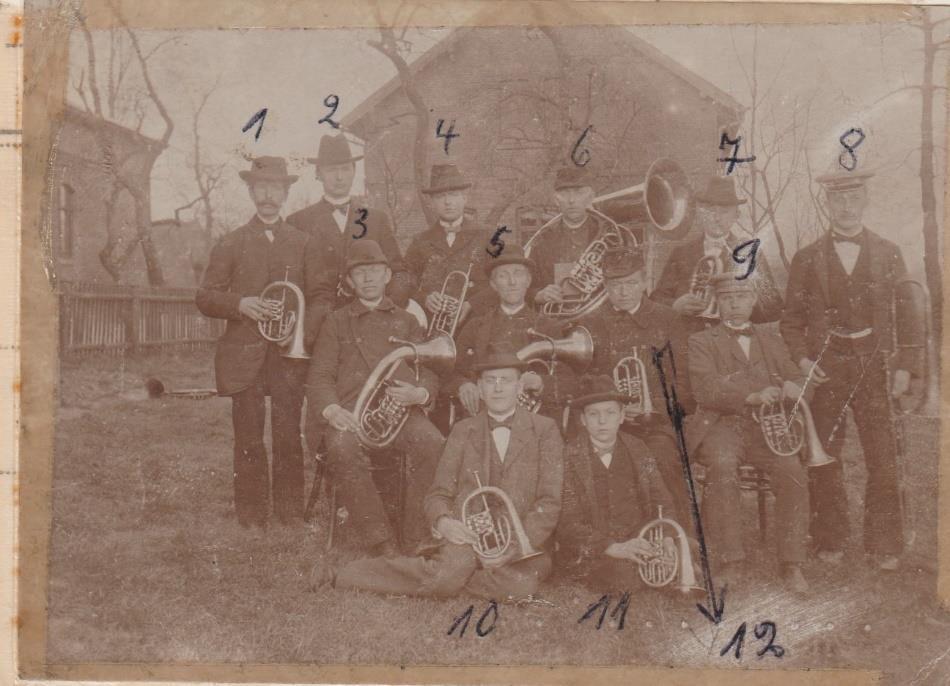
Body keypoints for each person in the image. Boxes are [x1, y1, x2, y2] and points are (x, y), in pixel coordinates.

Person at [310, 342, 564, 600]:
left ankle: (446, 577)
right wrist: (444, 522)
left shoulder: (545, 430)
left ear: (520, 387)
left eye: (506, 381)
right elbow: (438, 494)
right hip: (468, 536)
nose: (498, 388)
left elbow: (550, 502)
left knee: (519, 587)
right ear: (480, 390)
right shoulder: (463, 430)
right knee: (450, 579)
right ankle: (342, 574)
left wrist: (513, 546)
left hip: (521, 544)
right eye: (490, 381)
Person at [780, 168, 922, 572]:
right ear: (827, 203)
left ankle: (884, 545)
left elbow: (909, 317)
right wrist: (805, 361)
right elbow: (790, 321)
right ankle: (830, 539)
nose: (845, 206)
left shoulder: (888, 250)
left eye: (853, 197)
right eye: (837, 199)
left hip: (877, 365)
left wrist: (905, 368)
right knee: (825, 454)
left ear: (865, 200)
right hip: (827, 367)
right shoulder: (806, 258)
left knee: (883, 456)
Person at [196, 156, 324, 528]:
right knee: (249, 437)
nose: (268, 195)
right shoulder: (231, 243)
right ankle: (251, 516)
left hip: (288, 354)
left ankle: (289, 514)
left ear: (285, 193)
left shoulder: (304, 243)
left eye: (276, 188)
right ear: (252, 191)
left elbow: (320, 296)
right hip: (244, 354)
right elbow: (205, 297)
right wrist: (241, 304)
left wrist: (299, 330)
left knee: (287, 435)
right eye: (261, 188)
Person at [305, 240, 445, 557]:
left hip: (399, 413)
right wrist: (331, 409)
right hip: (351, 413)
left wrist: (420, 393)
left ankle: (417, 536)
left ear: (387, 277)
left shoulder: (407, 321)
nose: (368, 279)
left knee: (432, 442)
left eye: (375, 272)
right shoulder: (336, 321)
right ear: (351, 282)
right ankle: (379, 538)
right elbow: (320, 375)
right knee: (341, 447)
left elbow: (429, 371)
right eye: (360, 273)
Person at [687, 273, 810, 593]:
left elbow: (796, 377)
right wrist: (750, 396)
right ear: (718, 302)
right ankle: (732, 560)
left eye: (741, 297)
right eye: (727, 298)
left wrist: (793, 386)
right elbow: (705, 390)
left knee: (792, 471)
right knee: (723, 466)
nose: (735, 305)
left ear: (753, 300)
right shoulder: (701, 341)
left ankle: (792, 562)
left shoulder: (772, 338)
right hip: (722, 426)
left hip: (767, 428)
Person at [578, 248, 693, 526]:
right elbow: (585, 380)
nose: (624, 291)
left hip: (657, 423)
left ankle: (682, 536)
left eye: (631, 283)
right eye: (615, 285)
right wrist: (615, 409)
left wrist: (652, 406)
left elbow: (684, 381)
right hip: (608, 422)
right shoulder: (590, 323)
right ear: (605, 287)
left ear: (644, 282)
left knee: (664, 459)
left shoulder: (668, 319)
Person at [556, 375, 678, 591]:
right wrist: (611, 547)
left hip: (638, 536)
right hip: (599, 547)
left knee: (689, 553)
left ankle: (658, 564)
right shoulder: (568, 456)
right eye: (594, 414)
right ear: (582, 419)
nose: (602, 421)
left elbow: (663, 500)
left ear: (622, 416)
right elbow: (567, 522)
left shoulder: (638, 447)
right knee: (623, 579)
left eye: (610, 413)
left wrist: (667, 537)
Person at [448, 245, 574, 431]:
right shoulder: (476, 326)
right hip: (482, 419)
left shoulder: (548, 326)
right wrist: (463, 385)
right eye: (503, 275)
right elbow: (451, 371)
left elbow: (569, 381)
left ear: (528, 280)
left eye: (518, 274)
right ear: (493, 285)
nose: (512, 281)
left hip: (534, 421)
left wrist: (540, 382)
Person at [287, 134, 412, 315]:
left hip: (369, 319)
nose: (339, 177)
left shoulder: (376, 219)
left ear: (354, 171)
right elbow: (292, 281)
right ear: (319, 174)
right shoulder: (298, 222)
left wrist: (384, 307)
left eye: (345, 169)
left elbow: (399, 273)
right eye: (331, 170)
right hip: (320, 325)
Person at [653, 176, 783, 336]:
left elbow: (773, 307)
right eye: (711, 211)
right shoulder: (681, 253)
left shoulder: (749, 254)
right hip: (688, 339)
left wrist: (742, 304)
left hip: (733, 340)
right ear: (701, 214)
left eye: (724, 211)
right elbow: (656, 299)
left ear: (736, 215)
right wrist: (674, 305)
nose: (717, 218)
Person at [403, 164, 494, 327]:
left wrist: (472, 304)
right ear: (432, 202)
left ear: (465, 197)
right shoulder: (420, 241)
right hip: (434, 325)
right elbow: (403, 281)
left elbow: (501, 280)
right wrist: (424, 298)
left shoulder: (487, 236)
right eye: (440, 196)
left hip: (477, 323)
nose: (447, 202)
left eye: (453, 194)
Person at [530, 166, 612, 308]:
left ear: (590, 197)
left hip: (603, 315)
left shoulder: (609, 234)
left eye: (579, 193)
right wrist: (538, 295)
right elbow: (528, 286)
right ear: (556, 200)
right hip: (557, 318)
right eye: (565, 194)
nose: (571, 200)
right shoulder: (542, 239)